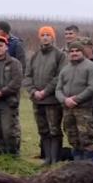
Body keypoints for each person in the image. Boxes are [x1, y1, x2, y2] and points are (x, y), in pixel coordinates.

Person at [23, 26, 67, 164]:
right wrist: (33, 91)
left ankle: (55, 159)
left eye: (48, 34)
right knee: (43, 130)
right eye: (43, 35)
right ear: (39, 37)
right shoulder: (35, 56)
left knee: (54, 130)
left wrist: (45, 91)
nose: (45, 37)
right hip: (37, 100)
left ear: (53, 37)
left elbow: (59, 76)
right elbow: (27, 76)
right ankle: (47, 158)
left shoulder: (60, 55)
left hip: (52, 100)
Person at [55, 41, 93, 162]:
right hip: (67, 109)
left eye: (77, 51)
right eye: (72, 51)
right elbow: (58, 89)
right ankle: (77, 165)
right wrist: (64, 100)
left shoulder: (91, 67)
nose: (74, 53)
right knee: (73, 138)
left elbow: (92, 88)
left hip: (84, 109)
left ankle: (91, 167)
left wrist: (76, 99)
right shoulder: (65, 69)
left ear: (83, 52)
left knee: (87, 138)